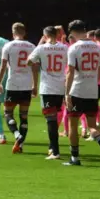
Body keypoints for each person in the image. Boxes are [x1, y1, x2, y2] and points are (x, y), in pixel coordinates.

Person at [63, 20, 100, 167]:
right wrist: (93, 83)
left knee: (73, 124)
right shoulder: (96, 47)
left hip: (77, 90)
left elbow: (70, 72)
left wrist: (67, 94)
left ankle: (74, 157)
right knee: (92, 125)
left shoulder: (74, 48)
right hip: (92, 91)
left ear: (72, 32)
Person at [28, 26, 68, 160]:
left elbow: (29, 61)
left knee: (50, 120)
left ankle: (55, 151)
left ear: (45, 36)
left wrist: (40, 45)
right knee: (55, 118)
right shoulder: (64, 48)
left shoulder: (41, 48)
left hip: (47, 87)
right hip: (61, 87)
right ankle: (52, 147)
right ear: (56, 34)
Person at [0, 23, 37, 154]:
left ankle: (16, 134)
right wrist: (35, 85)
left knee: (8, 113)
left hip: (12, 84)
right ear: (24, 32)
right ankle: (21, 144)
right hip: (26, 85)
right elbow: (35, 68)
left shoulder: (8, 46)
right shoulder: (32, 46)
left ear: (13, 33)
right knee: (24, 116)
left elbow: (3, 66)